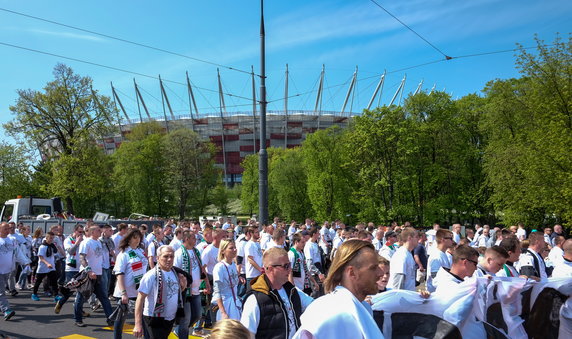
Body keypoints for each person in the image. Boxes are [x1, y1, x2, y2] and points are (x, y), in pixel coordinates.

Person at [292, 239, 383, 339]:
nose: (381, 273)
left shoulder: (364, 307)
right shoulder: (328, 313)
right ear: (352, 272)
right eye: (373, 268)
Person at [241, 247, 313, 339]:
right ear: (271, 269)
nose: (290, 269)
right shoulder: (255, 300)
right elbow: (247, 334)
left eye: (290, 265)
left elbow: (314, 305)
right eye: (286, 266)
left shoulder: (292, 290)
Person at [133, 245, 187, 339]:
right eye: (165, 256)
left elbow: (174, 292)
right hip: (155, 318)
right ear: (158, 258)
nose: (169, 259)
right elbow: (140, 299)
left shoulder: (175, 273)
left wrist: (183, 286)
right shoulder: (151, 275)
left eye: (171, 256)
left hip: (170, 318)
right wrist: (137, 324)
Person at [74, 225, 113, 327]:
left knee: (104, 297)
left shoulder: (99, 242)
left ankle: (110, 318)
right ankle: (78, 319)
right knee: (81, 297)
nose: (100, 232)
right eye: (98, 230)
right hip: (87, 275)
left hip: (98, 274)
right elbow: (82, 258)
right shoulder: (86, 242)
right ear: (92, 232)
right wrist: (89, 271)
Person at [174, 230, 211, 338]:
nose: (196, 240)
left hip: (196, 290)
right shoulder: (179, 253)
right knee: (185, 320)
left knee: (197, 315)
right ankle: (182, 333)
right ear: (186, 239)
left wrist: (206, 283)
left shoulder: (196, 251)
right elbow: (176, 271)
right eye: (193, 238)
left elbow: (202, 269)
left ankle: (178, 329)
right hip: (185, 292)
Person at [112, 229, 148, 339]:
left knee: (143, 317)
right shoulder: (124, 254)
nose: (137, 240)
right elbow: (119, 274)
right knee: (120, 319)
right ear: (128, 239)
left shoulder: (140, 251)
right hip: (126, 291)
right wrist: (123, 293)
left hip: (139, 290)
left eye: (139, 237)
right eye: (134, 237)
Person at [212, 239, 243, 320]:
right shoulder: (219, 267)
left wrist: (239, 277)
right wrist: (223, 312)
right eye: (231, 248)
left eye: (235, 247)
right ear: (223, 251)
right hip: (225, 305)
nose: (235, 250)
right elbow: (217, 292)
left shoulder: (233, 264)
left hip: (235, 304)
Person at [31, 231, 61, 301]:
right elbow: (41, 257)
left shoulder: (52, 246)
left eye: (52, 238)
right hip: (43, 267)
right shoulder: (42, 247)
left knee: (54, 282)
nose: (51, 240)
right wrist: (47, 264)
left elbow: (55, 253)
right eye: (50, 238)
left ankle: (56, 295)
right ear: (46, 238)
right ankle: (34, 294)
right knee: (38, 281)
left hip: (51, 267)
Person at [0, 222, 16, 320]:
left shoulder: (11, 240)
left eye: (8, 228)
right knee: (1, 292)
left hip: (6, 270)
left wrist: (26, 262)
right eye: (5, 228)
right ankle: (6, 310)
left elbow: (16, 253)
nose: (8, 230)